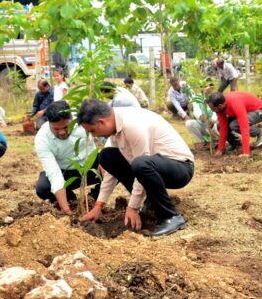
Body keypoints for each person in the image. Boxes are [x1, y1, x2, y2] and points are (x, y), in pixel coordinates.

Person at [77, 99, 194, 237]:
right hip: (155, 166)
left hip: (180, 168)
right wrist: (98, 206)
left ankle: (170, 216)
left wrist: (132, 207)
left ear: (102, 122)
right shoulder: (116, 125)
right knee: (106, 156)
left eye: (92, 131)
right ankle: (151, 203)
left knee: (140, 164)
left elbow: (142, 166)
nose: (94, 135)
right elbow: (111, 173)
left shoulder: (132, 125)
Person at [34, 101, 101, 215]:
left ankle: (94, 198)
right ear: (49, 123)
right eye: (56, 129)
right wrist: (67, 211)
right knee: (43, 188)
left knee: (114, 163)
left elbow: (111, 137)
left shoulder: (84, 122)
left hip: (92, 167)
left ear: (72, 119)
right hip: (66, 172)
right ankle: (71, 202)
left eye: (66, 127)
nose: (61, 132)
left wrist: (104, 161)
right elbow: (54, 175)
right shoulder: (42, 139)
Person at [206, 91, 262, 157]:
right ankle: (236, 144)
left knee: (234, 125)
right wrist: (220, 150)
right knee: (219, 126)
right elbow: (223, 128)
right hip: (246, 111)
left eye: (212, 109)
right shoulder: (220, 109)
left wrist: (246, 152)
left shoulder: (235, 103)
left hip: (260, 111)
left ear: (219, 106)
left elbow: (244, 127)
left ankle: (261, 132)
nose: (212, 110)